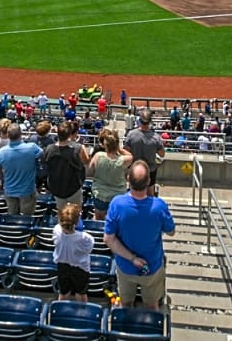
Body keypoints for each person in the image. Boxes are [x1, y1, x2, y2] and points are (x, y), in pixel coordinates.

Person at [103, 160, 175, 312]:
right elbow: (171, 231)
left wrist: (132, 258)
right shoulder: (159, 206)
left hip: (125, 267)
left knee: (125, 304)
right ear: (149, 181)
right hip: (152, 268)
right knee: (152, 305)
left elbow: (109, 239)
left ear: (128, 179)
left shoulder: (117, 204)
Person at [0, 123, 41, 216]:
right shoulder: (32, 147)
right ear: (21, 134)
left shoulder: (2, 152)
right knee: (27, 218)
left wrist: (1, 181)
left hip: (10, 190)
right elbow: (42, 155)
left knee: (13, 217)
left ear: (8, 135)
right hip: (27, 190)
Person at [42, 121, 89, 209]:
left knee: (61, 212)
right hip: (73, 187)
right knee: (75, 213)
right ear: (69, 134)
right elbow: (86, 162)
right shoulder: (78, 148)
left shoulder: (48, 149)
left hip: (56, 187)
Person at [52, 202, 93, 303]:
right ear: (77, 222)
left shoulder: (56, 230)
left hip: (62, 266)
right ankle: (81, 314)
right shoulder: (85, 238)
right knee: (81, 293)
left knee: (63, 293)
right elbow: (88, 250)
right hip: (80, 268)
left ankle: (61, 311)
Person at [87, 128, 130, 222]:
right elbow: (131, 156)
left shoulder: (98, 156)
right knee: (115, 218)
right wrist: (119, 149)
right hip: (117, 196)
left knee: (98, 217)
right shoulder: (123, 160)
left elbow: (90, 170)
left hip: (100, 194)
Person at [124, 115, 166, 195]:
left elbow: (126, 151)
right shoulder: (156, 137)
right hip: (150, 170)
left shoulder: (131, 135)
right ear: (150, 122)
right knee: (150, 192)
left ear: (140, 121)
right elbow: (162, 154)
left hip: (134, 169)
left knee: (133, 191)